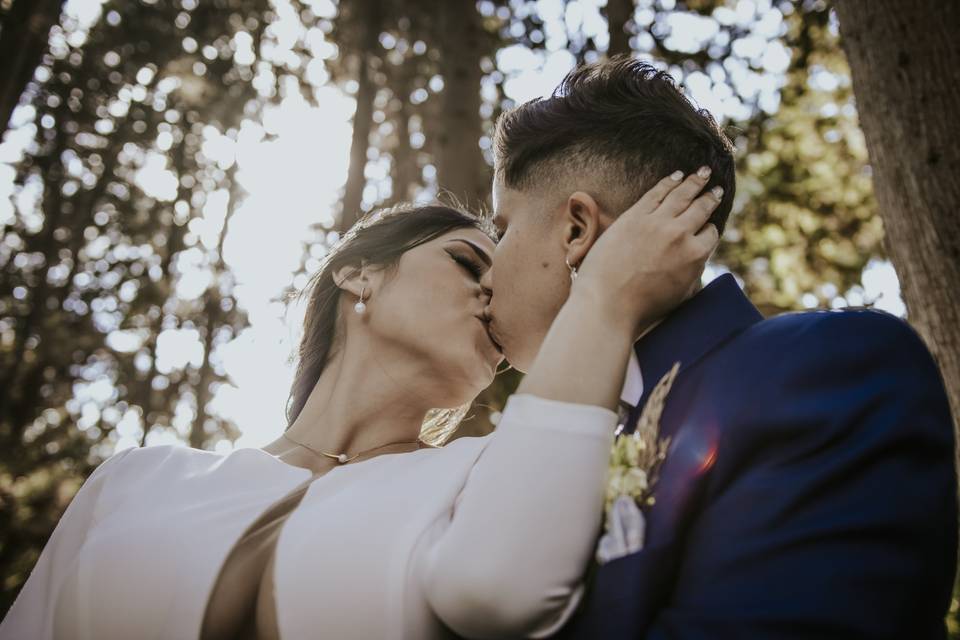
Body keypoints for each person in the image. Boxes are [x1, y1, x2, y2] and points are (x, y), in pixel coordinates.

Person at [0, 169, 722, 638]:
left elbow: (501, 591)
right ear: (359, 277)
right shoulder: (138, 477)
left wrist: (602, 299)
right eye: (469, 263)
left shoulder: (490, 472)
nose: (490, 293)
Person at [481, 56, 958, 638]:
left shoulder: (825, 367)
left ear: (577, 230)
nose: (485, 275)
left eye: (502, 231)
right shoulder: (575, 450)